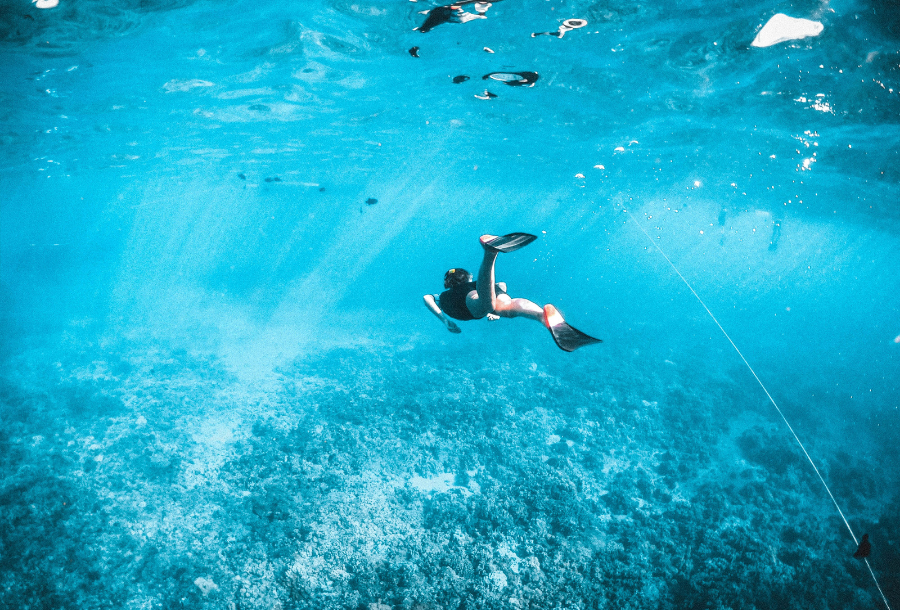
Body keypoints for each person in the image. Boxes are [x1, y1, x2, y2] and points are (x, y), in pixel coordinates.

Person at [423, 233, 601, 351]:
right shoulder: (475, 283)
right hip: (484, 289)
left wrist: (445, 320)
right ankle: (541, 315)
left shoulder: (446, 295)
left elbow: (427, 297)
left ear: (448, 282)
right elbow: (501, 284)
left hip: (466, 302)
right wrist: (495, 307)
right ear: (467, 278)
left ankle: (490, 253)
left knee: (486, 304)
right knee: (508, 307)